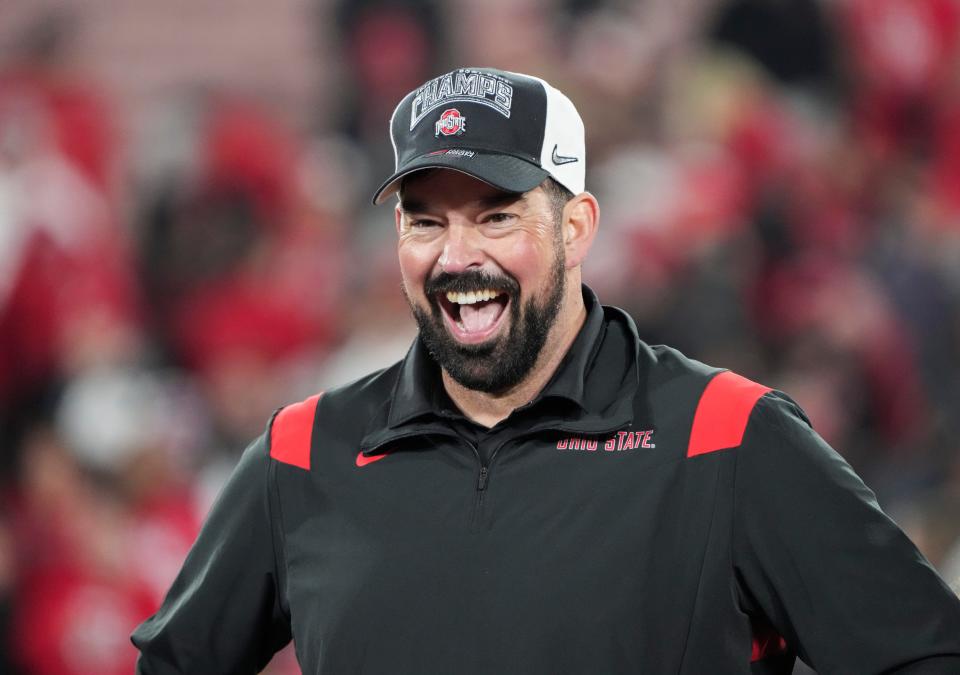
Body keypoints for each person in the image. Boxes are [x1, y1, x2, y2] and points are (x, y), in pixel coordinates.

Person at [132, 68, 960, 674]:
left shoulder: (727, 436)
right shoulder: (303, 453)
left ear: (576, 227)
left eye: (497, 216)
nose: (458, 257)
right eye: (426, 221)